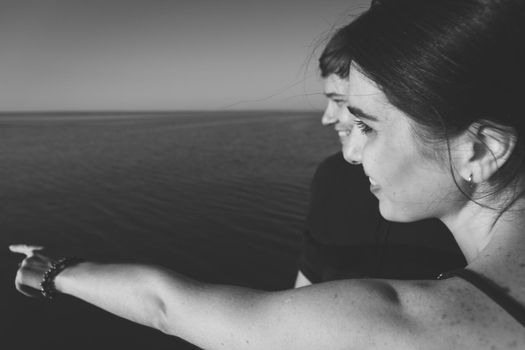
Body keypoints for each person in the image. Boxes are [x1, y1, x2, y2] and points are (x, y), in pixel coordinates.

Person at [11, 0, 525, 348]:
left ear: (480, 148)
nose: (350, 154)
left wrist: (50, 270)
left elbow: (164, 306)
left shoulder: (389, 327)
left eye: (367, 126)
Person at [295, 26, 465, 287]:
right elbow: (307, 279)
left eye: (341, 101)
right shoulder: (331, 176)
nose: (326, 118)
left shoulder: (456, 201)